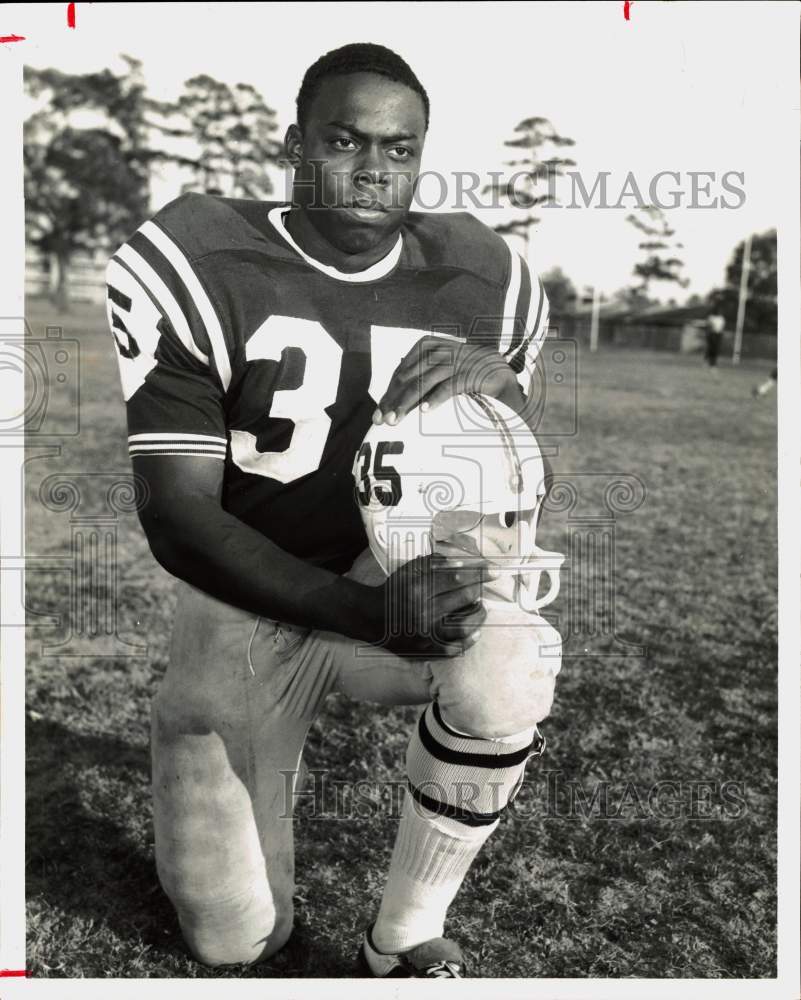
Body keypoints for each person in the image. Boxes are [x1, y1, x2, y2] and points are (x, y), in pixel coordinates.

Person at [105, 42, 557, 977]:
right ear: (295, 146)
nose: (373, 171)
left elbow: (500, 470)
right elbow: (177, 517)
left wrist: (503, 385)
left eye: (400, 150)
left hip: (387, 580)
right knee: (234, 940)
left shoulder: (483, 274)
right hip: (247, 594)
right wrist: (357, 613)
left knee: (511, 660)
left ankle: (402, 936)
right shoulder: (200, 254)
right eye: (345, 142)